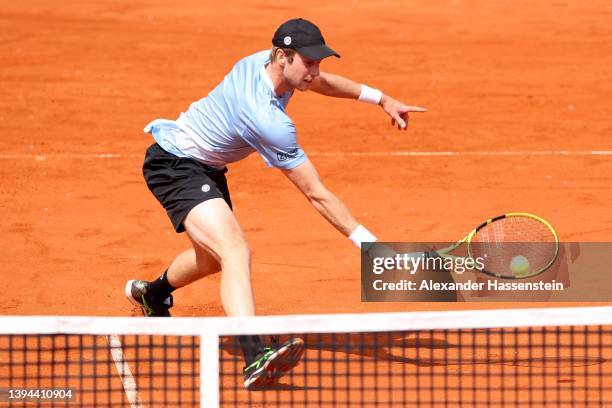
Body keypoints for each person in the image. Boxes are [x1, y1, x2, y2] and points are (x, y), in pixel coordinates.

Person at [125, 18, 426, 389]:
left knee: (210, 258)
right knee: (235, 251)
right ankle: (255, 355)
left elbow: (322, 83)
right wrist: (371, 247)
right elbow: (317, 193)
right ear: (282, 56)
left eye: (319, 62)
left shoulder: (264, 63)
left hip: (206, 168)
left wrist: (380, 97)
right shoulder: (266, 119)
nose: (315, 72)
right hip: (175, 164)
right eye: (309, 63)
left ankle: (152, 294)